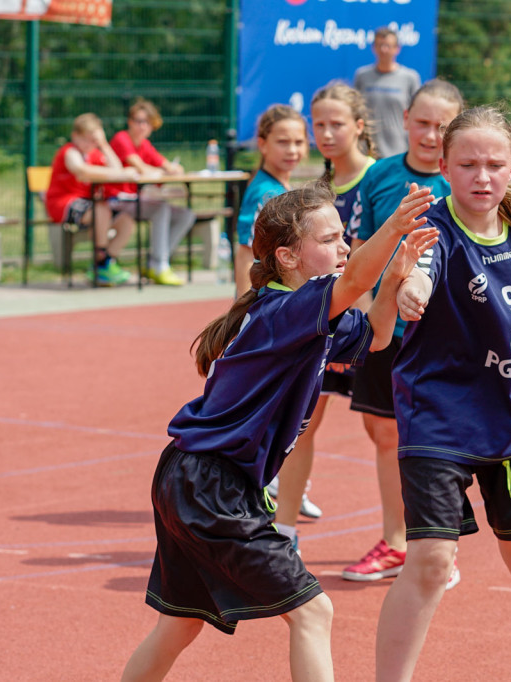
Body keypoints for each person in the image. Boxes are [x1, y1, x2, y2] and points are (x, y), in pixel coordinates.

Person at [120, 181, 438, 682]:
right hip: (210, 484)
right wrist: (393, 228)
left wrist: (398, 268)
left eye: (344, 236)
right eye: (330, 238)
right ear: (288, 256)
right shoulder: (284, 310)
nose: (343, 246)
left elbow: (376, 336)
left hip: (196, 478)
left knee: (180, 625)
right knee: (313, 612)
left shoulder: (307, 313)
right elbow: (354, 279)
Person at [375, 105, 511, 682]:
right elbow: (421, 270)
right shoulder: (433, 233)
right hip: (438, 420)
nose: (481, 176)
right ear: (443, 165)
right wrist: (409, 286)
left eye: (493, 164)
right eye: (467, 164)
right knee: (433, 560)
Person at [342, 78, 464, 585]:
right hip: (384, 326)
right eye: (423, 122)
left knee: (438, 439)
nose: (431, 134)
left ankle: (437, 544)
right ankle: (397, 541)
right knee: (383, 431)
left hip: (445, 333)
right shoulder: (381, 177)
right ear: (406, 118)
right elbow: (360, 249)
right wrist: (372, 313)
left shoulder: (463, 179)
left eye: (443, 126)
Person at [268, 81, 379, 551]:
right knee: (301, 421)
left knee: (385, 430)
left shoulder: (380, 178)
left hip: (373, 323)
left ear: (358, 125)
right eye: (319, 124)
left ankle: (405, 538)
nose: (326, 133)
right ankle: (285, 530)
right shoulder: (319, 190)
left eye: (337, 123)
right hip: (327, 323)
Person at [108, 98, 196, 286]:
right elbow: (139, 167)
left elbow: (168, 166)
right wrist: (163, 171)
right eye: (138, 121)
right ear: (130, 122)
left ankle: (155, 263)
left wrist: (172, 169)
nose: (142, 126)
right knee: (160, 209)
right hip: (117, 199)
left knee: (186, 215)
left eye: (146, 122)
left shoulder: (145, 145)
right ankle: (160, 265)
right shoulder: (121, 139)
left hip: (137, 200)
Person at [45, 113, 139, 286]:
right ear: (75, 136)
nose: (90, 144)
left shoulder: (95, 153)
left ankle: (104, 264)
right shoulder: (69, 152)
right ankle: (101, 255)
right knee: (101, 209)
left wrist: (103, 144)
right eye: (87, 139)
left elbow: (117, 169)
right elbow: (81, 171)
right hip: (63, 204)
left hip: (89, 207)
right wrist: (120, 173)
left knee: (126, 219)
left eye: (93, 140)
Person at [234, 104, 308, 296]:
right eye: (283, 142)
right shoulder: (264, 194)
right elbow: (246, 253)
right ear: (263, 144)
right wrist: (243, 311)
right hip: (268, 300)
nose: (292, 150)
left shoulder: (281, 188)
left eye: (299, 142)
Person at [353, 26, 422, 159]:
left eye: (388, 46)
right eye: (380, 45)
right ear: (374, 48)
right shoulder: (362, 76)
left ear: (397, 49)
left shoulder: (410, 78)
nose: (384, 50)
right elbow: (355, 111)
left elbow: (417, 114)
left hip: (398, 150)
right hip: (367, 150)